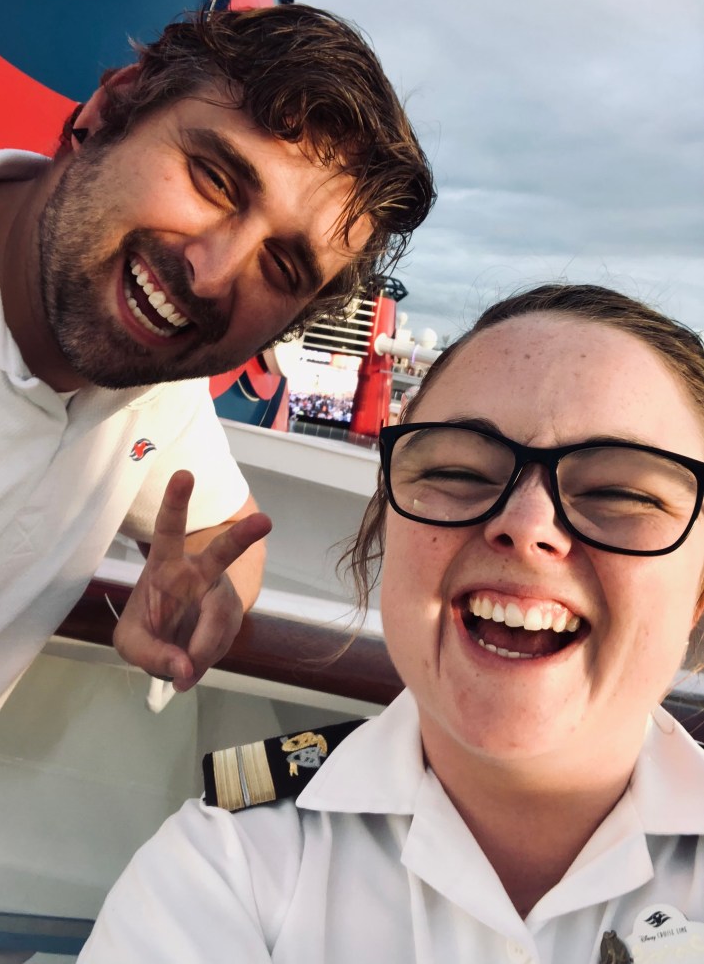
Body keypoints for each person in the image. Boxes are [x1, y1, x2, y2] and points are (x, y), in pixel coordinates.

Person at [79, 283, 704, 964]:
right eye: (458, 468)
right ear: (387, 530)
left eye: (620, 491)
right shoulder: (228, 864)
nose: (524, 526)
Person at [0, 2, 435, 795]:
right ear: (110, 109)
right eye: (213, 179)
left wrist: (210, 600)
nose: (211, 272)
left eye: (281, 267)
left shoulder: (146, 380)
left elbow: (223, 529)